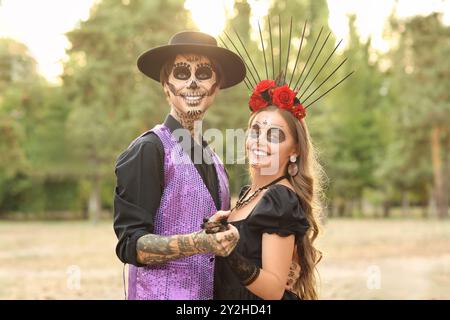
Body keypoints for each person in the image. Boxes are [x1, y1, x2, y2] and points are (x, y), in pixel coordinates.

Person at [113, 31, 246, 300]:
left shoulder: (217, 161)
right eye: (182, 72)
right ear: (166, 84)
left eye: (205, 72)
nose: (194, 83)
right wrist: (198, 243)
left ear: (216, 86)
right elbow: (130, 245)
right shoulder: (149, 150)